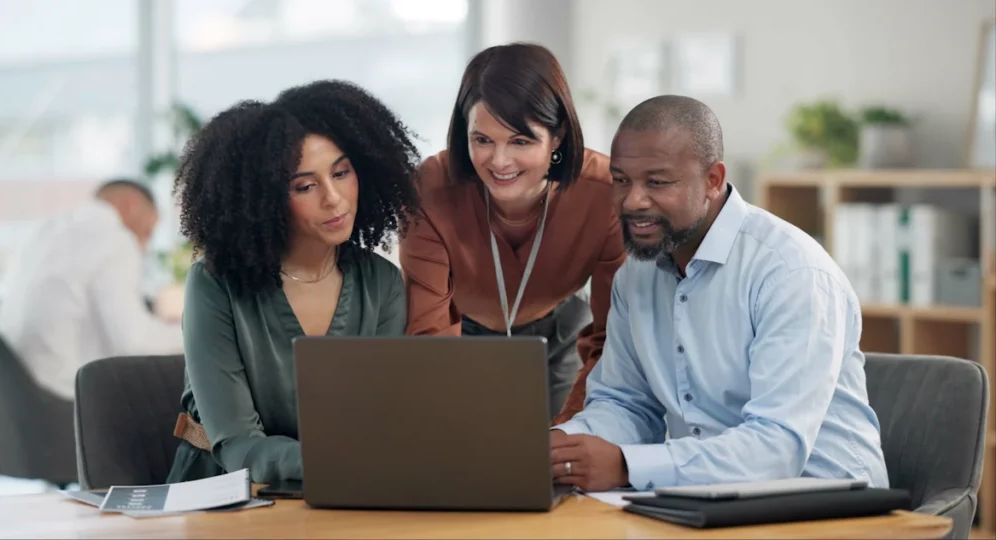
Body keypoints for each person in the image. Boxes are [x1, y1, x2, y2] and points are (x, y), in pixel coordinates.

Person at [549, 95, 889, 492]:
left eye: (657, 182)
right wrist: (560, 447)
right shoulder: (637, 275)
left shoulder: (792, 273)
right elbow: (627, 405)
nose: (632, 201)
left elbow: (776, 448)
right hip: (706, 499)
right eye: (621, 180)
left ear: (712, 180)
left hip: (830, 506)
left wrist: (626, 466)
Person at [165, 80, 420, 484]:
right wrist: (349, 462)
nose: (334, 198)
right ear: (262, 198)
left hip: (341, 493)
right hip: (222, 498)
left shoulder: (381, 283)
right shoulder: (214, 284)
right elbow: (237, 444)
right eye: (305, 185)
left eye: (341, 172)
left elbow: (376, 420)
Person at [399, 43, 626, 424]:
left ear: (557, 138)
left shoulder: (605, 193)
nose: (499, 162)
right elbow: (428, 339)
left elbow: (610, 341)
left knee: (555, 458)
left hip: (562, 330)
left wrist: (567, 438)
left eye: (520, 141)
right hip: (460, 333)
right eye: (482, 140)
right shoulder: (429, 190)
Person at [0, 179, 183, 401]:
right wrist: (198, 333)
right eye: (149, 231)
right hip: (65, 398)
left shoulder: (45, 230)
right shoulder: (115, 238)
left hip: (18, 394)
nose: (145, 245)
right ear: (132, 206)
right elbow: (136, 342)